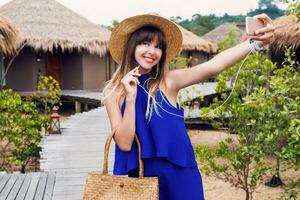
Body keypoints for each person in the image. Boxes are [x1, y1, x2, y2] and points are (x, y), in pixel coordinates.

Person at [103, 13, 275, 200]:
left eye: (158, 47)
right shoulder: (113, 92)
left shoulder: (168, 81)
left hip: (181, 173)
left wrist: (255, 43)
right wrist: (130, 98)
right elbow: (125, 144)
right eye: (145, 43)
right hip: (142, 178)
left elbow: (214, 65)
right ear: (132, 45)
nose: (152, 51)